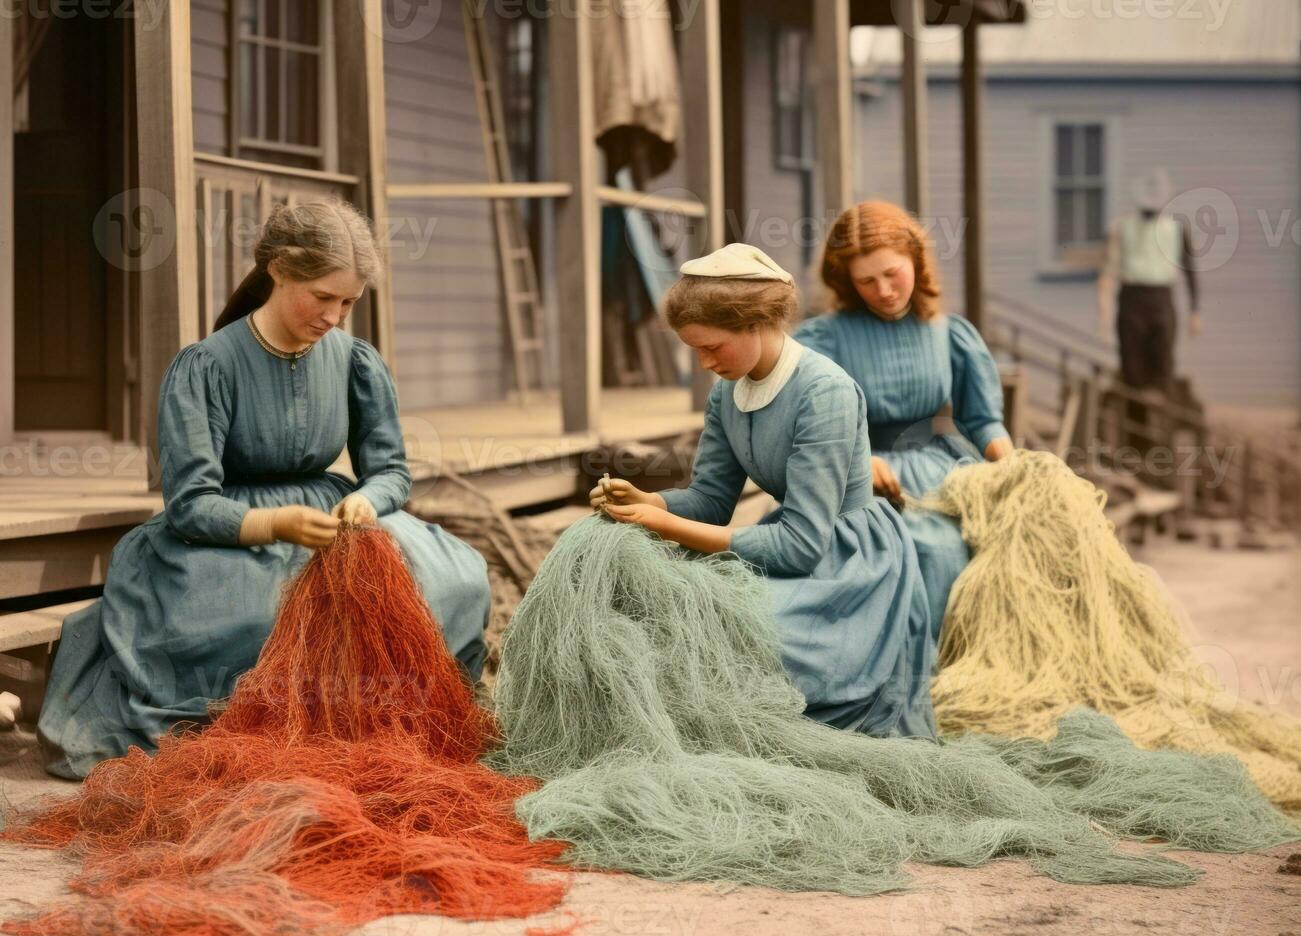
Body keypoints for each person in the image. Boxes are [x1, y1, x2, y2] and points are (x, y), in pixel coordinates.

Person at [35, 200, 492, 779]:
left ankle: (380, 724)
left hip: (335, 516)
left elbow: (392, 471)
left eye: (348, 302)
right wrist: (277, 526)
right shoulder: (205, 367)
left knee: (455, 578)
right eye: (321, 297)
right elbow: (190, 504)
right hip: (230, 530)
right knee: (262, 621)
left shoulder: (354, 361)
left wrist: (367, 500)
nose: (334, 316)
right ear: (277, 271)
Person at [591, 243, 936, 738]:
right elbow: (711, 501)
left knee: (738, 634)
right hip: (789, 540)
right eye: (695, 350)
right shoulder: (728, 391)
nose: (704, 362)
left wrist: (664, 525)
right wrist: (653, 503)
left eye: (712, 347)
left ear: (755, 324)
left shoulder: (824, 393)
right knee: (677, 616)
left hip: (850, 565)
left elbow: (800, 548)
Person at [794, 201, 1013, 643]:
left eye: (892, 273)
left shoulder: (948, 332)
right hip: (854, 480)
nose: (885, 290)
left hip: (938, 469)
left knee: (974, 547)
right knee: (911, 553)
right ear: (848, 282)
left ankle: (958, 673)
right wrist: (856, 458)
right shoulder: (824, 339)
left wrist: (1013, 465)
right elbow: (803, 425)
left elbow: (982, 419)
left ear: (915, 259)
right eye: (866, 281)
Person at [1096, 169, 1202, 455]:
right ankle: (1136, 447)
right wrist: (1104, 313)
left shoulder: (1176, 229)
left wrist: (1195, 310)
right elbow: (1108, 270)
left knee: (1163, 371)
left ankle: (1164, 444)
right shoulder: (1122, 228)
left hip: (1161, 300)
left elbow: (1190, 270)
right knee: (1133, 374)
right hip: (1132, 300)